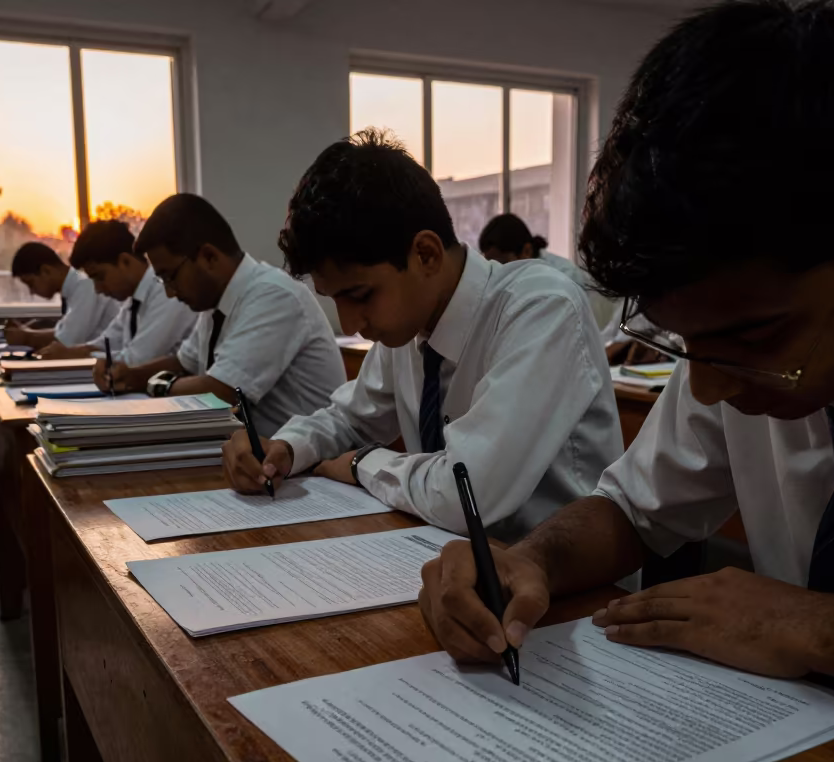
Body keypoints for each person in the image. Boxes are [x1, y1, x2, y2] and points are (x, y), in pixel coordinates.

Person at [419, 0, 834, 748]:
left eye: (755, 334)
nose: (716, 389)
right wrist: (526, 561)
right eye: (687, 342)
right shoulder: (733, 341)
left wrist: (828, 628)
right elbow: (633, 512)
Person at [222, 131, 624, 542]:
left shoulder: (540, 308)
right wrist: (286, 449)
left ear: (425, 254)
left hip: (564, 583)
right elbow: (351, 418)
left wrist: (361, 464)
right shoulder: (410, 322)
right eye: (333, 298)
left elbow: (468, 494)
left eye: (359, 295)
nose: (348, 324)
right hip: (444, 555)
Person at [106, 194, 344, 435]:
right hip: (252, 458)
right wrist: (129, 375)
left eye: (170, 276)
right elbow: (184, 363)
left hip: (305, 464)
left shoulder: (274, 295)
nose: (169, 292)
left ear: (209, 257)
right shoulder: (215, 303)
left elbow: (221, 393)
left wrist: (159, 386)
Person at [478, 213, 666, 365]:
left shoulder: (562, 278)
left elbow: (574, 342)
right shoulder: (519, 281)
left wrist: (610, 350)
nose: (498, 275)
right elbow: (609, 336)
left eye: (502, 264)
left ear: (526, 251)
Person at [32, 220, 197, 371]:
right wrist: (72, 352)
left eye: (100, 277)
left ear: (125, 261)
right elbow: (108, 342)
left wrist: (77, 356)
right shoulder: (134, 299)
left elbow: (138, 359)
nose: (97, 289)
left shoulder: (166, 292)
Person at [5, 242, 118, 350]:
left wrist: (27, 337)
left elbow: (68, 341)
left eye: (31, 283)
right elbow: (63, 332)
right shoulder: (73, 288)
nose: (32, 292)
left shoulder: (85, 285)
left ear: (46, 271)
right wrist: (27, 333)